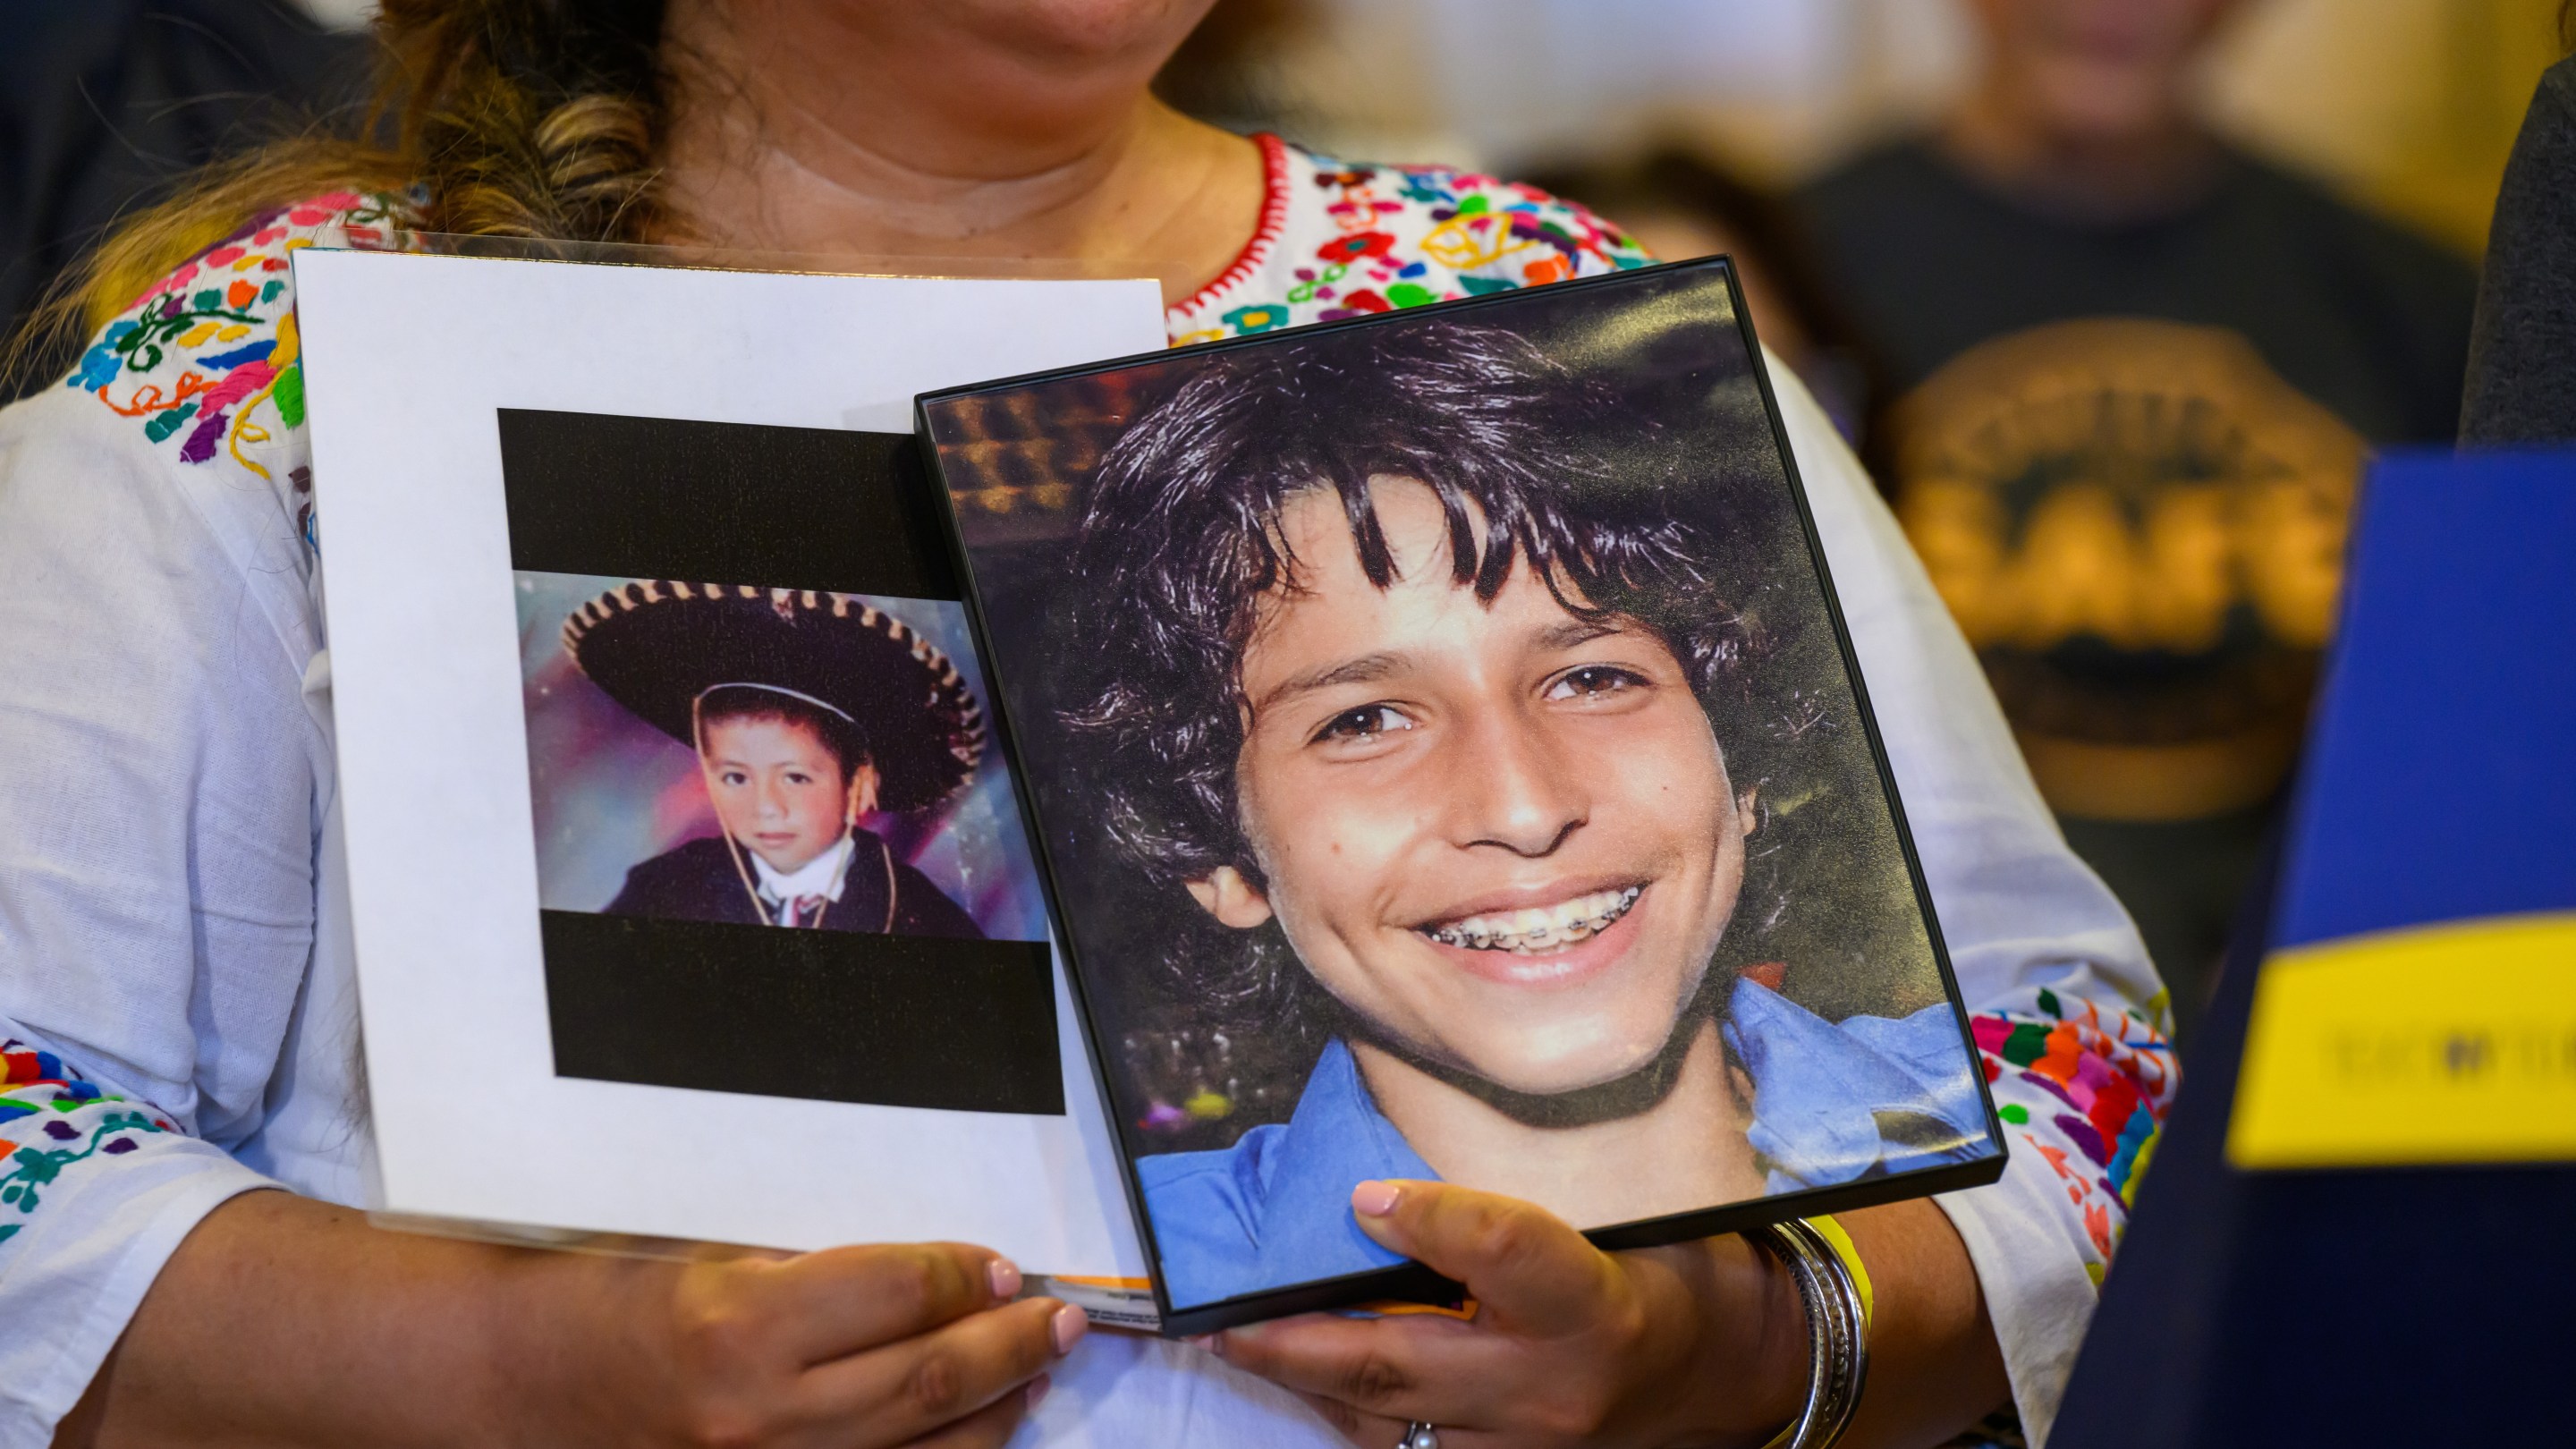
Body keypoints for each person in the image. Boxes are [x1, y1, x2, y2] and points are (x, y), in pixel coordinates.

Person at [0, 1, 2173, 1445]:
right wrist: (544, 1362)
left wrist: (1726, 1343)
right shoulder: (266, 396)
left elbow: (2074, 1075)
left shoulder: (1542, 337)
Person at [1058, 319, 1989, 1309]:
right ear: (1223, 861)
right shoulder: (1095, 1284)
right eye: (1365, 721)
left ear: (1743, 768)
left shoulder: (2039, 1137)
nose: (1525, 807)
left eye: (1592, 677)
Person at [1796, 0, 2476, 1042]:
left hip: (2312, 1020)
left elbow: (2467, 737)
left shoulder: (2411, 300)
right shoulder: (1798, 271)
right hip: (1920, 1030)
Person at [565, 581, 987, 937]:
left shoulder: (929, 924)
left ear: (859, 785)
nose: (765, 807)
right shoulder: (661, 888)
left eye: (796, 778)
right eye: (735, 777)